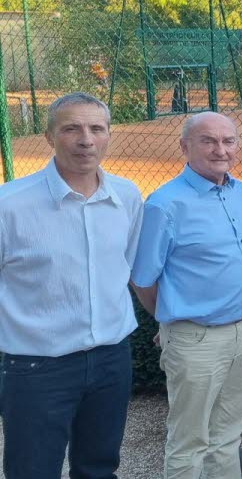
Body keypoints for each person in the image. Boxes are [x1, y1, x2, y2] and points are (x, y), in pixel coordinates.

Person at [0, 92, 144, 478]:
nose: (86, 140)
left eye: (97, 128)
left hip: (112, 359)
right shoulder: (9, 205)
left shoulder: (127, 196)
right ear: (49, 136)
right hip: (37, 366)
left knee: (99, 469)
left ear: (109, 134)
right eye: (72, 129)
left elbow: (126, 263)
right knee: (32, 471)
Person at [131, 112, 242, 479]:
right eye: (208, 141)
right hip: (196, 338)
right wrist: (171, 322)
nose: (220, 149)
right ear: (184, 147)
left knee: (229, 435)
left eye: (228, 141)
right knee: (189, 441)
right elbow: (142, 278)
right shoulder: (165, 204)